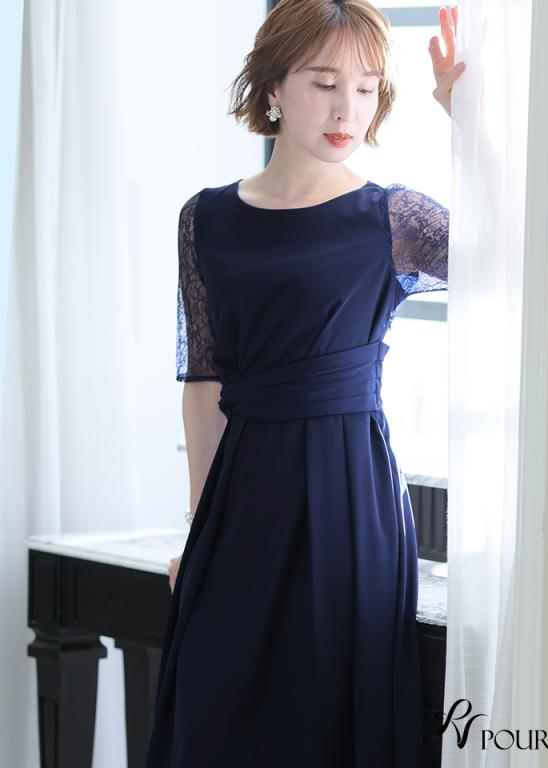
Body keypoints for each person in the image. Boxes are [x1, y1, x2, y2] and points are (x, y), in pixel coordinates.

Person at [145, 1, 465, 766]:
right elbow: (205, 383)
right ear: (273, 89)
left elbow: (522, 257)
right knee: (212, 721)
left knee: (323, 723)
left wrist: (466, 117)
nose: (346, 108)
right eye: (324, 83)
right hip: (239, 504)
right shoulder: (205, 219)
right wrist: (197, 529)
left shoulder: (394, 218)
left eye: (366, 88)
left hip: (346, 502)